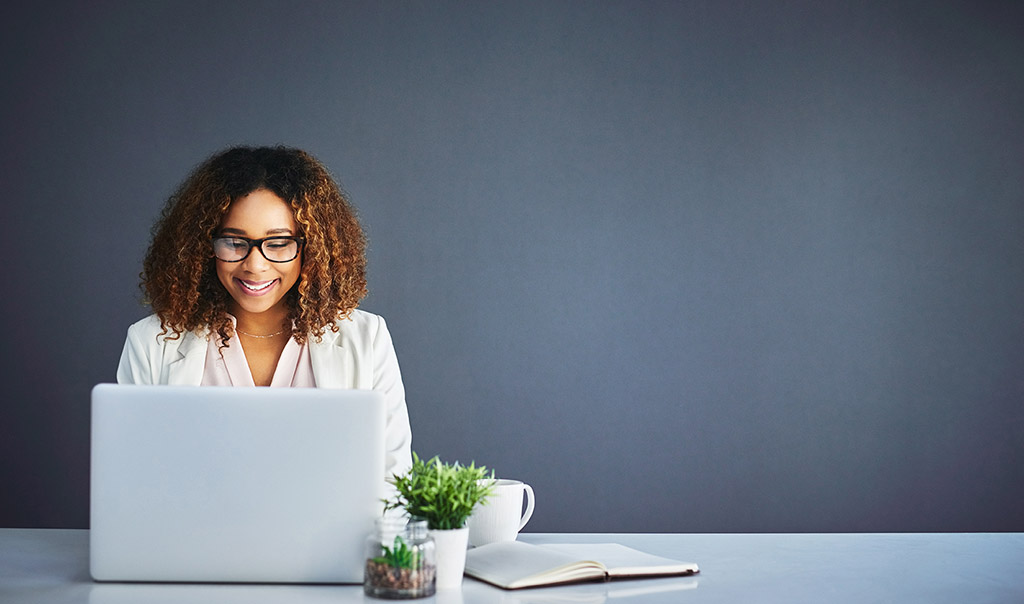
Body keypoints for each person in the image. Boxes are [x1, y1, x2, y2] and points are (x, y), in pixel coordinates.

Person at [117, 145, 411, 478]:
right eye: (233, 241)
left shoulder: (367, 340)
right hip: (194, 530)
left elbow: (393, 481)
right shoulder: (150, 343)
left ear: (311, 247)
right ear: (203, 247)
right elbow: (133, 478)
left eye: (278, 243)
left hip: (333, 532)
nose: (255, 265)